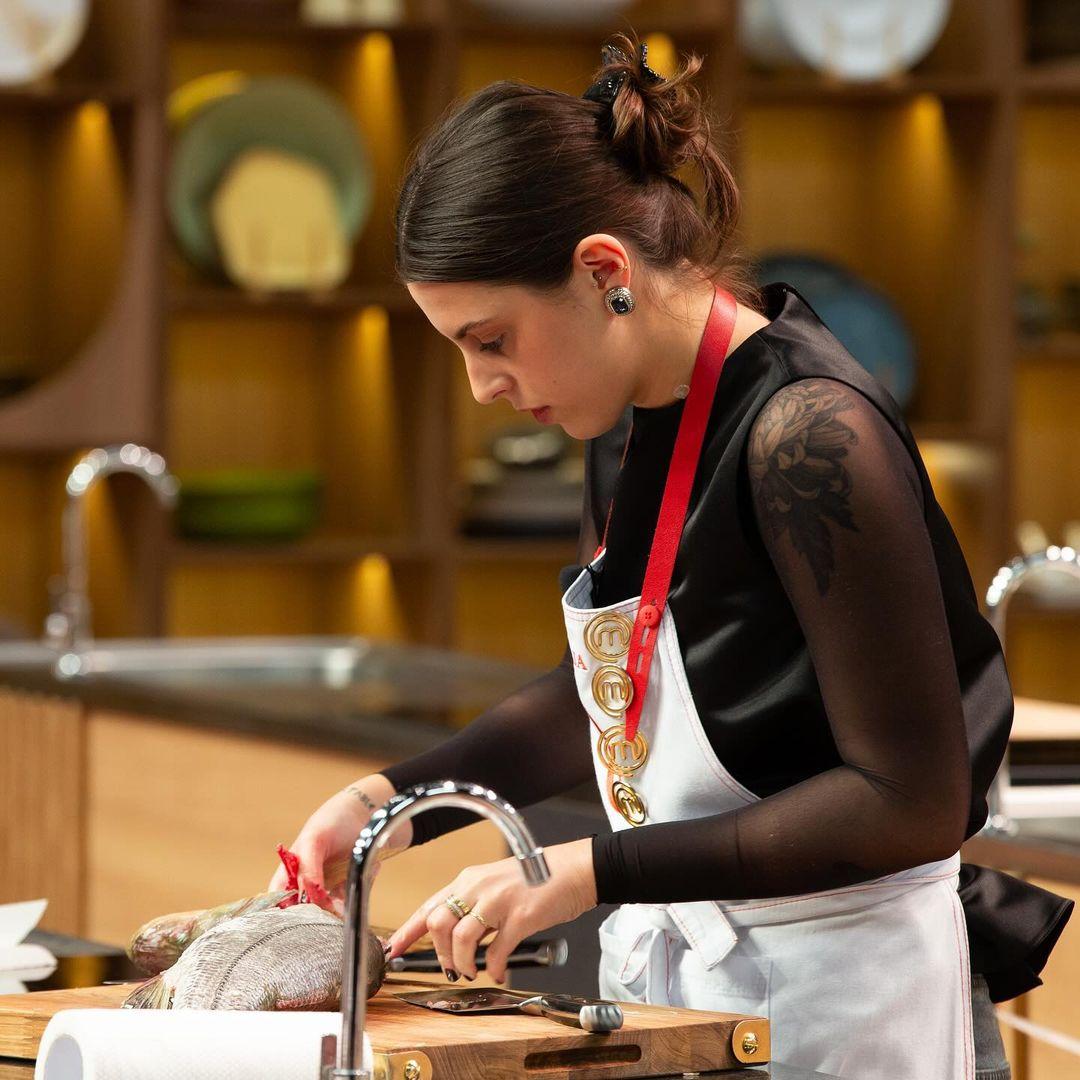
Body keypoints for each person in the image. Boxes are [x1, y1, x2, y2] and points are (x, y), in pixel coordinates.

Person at [270, 32, 1070, 1079]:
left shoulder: (808, 437)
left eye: (491, 338)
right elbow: (610, 696)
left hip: (848, 998)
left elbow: (906, 801)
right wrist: (385, 802)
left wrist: (589, 869)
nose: (483, 388)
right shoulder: (629, 415)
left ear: (604, 271)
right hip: (690, 984)